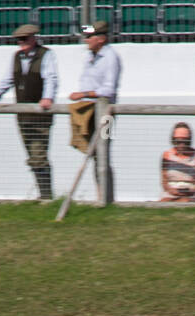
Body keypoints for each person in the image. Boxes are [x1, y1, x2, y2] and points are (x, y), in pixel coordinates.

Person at [0, 24, 59, 201]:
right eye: (18, 40)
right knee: (31, 153)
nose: (21, 43)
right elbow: (7, 80)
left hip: (39, 114)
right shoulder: (17, 57)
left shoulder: (46, 55)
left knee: (38, 153)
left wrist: (47, 98)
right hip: (22, 115)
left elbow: (51, 78)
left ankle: (46, 196)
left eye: (24, 39)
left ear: (33, 38)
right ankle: (43, 194)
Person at [69, 20, 122, 204]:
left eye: (90, 36)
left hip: (106, 115)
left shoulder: (110, 58)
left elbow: (108, 90)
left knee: (103, 154)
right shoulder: (90, 57)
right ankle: (101, 196)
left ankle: (107, 198)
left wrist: (83, 94)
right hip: (89, 112)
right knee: (94, 156)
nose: (86, 40)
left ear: (101, 39)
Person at [160, 123, 195, 201]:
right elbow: (164, 181)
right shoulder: (166, 155)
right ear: (173, 141)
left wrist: (191, 191)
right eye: (178, 142)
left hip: (190, 192)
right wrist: (171, 190)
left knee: (184, 201)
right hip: (170, 191)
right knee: (164, 202)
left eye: (185, 142)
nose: (182, 145)